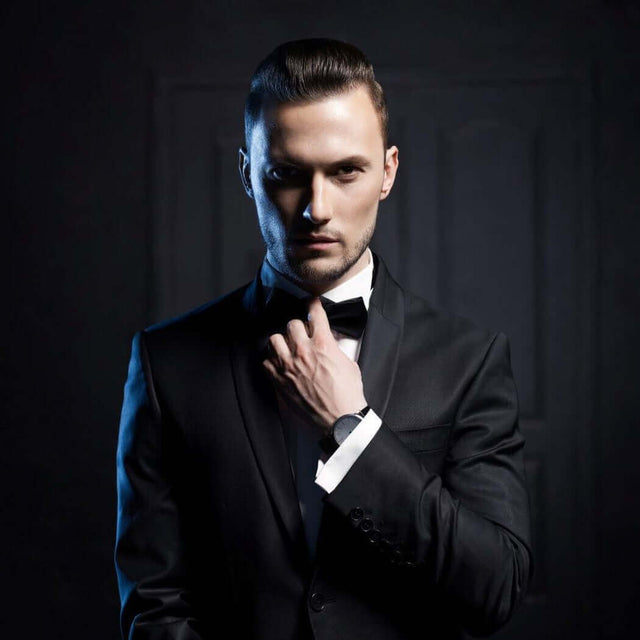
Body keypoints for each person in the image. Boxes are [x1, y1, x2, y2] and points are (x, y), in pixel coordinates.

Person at [115, 38, 532, 640]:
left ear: (387, 172)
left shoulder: (470, 361)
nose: (316, 208)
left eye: (345, 172)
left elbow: (495, 588)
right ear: (246, 173)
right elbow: (156, 606)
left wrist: (351, 432)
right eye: (287, 174)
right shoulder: (166, 363)